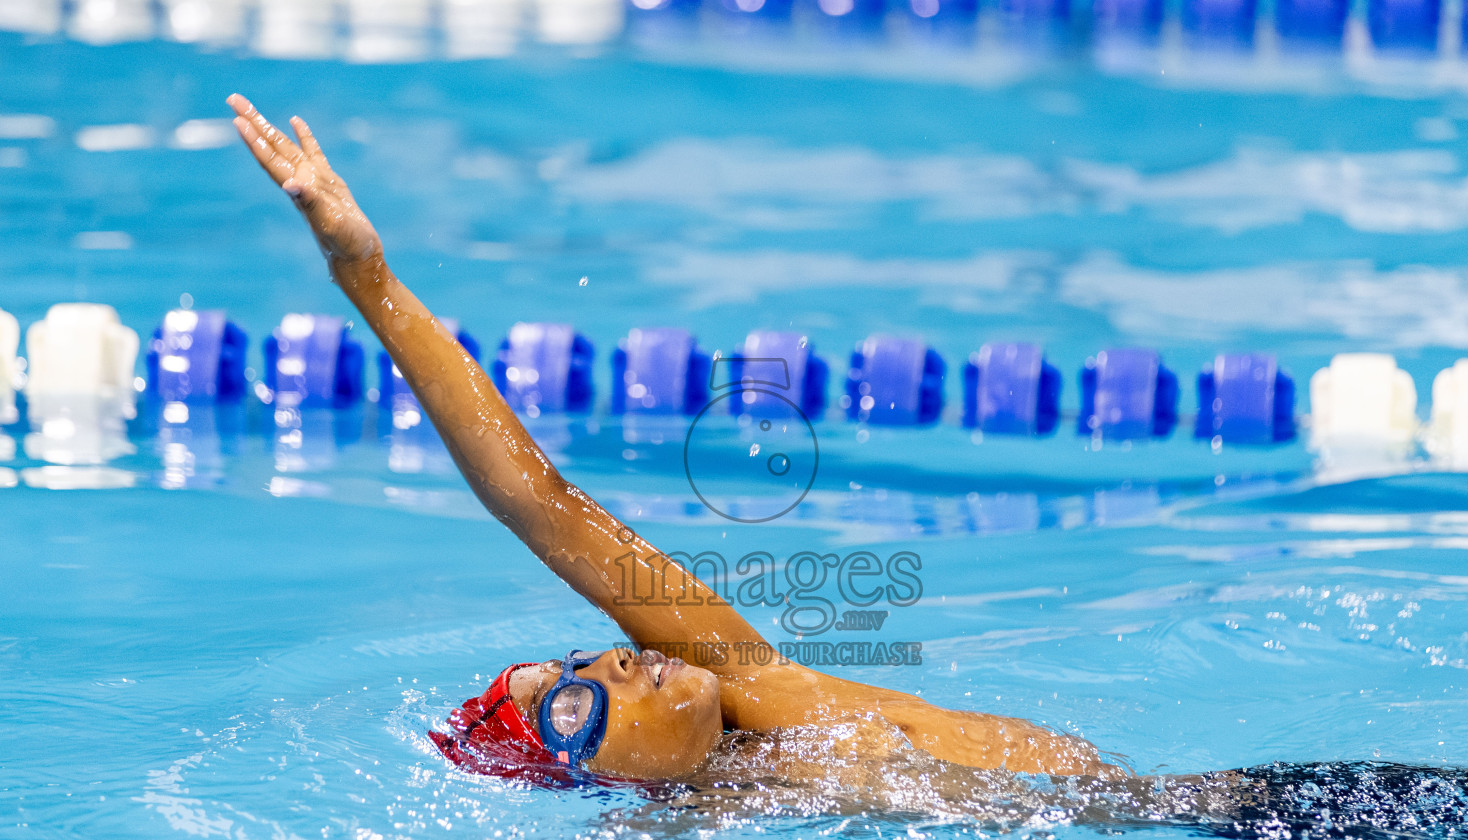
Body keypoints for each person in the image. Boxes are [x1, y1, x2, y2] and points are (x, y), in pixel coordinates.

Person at [227, 93, 1122, 785]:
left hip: (1204, 808)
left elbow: (541, 504)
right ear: (588, 774)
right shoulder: (696, 822)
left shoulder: (752, 686)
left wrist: (366, 275)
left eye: (582, 661)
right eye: (573, 701)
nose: (611, 659)